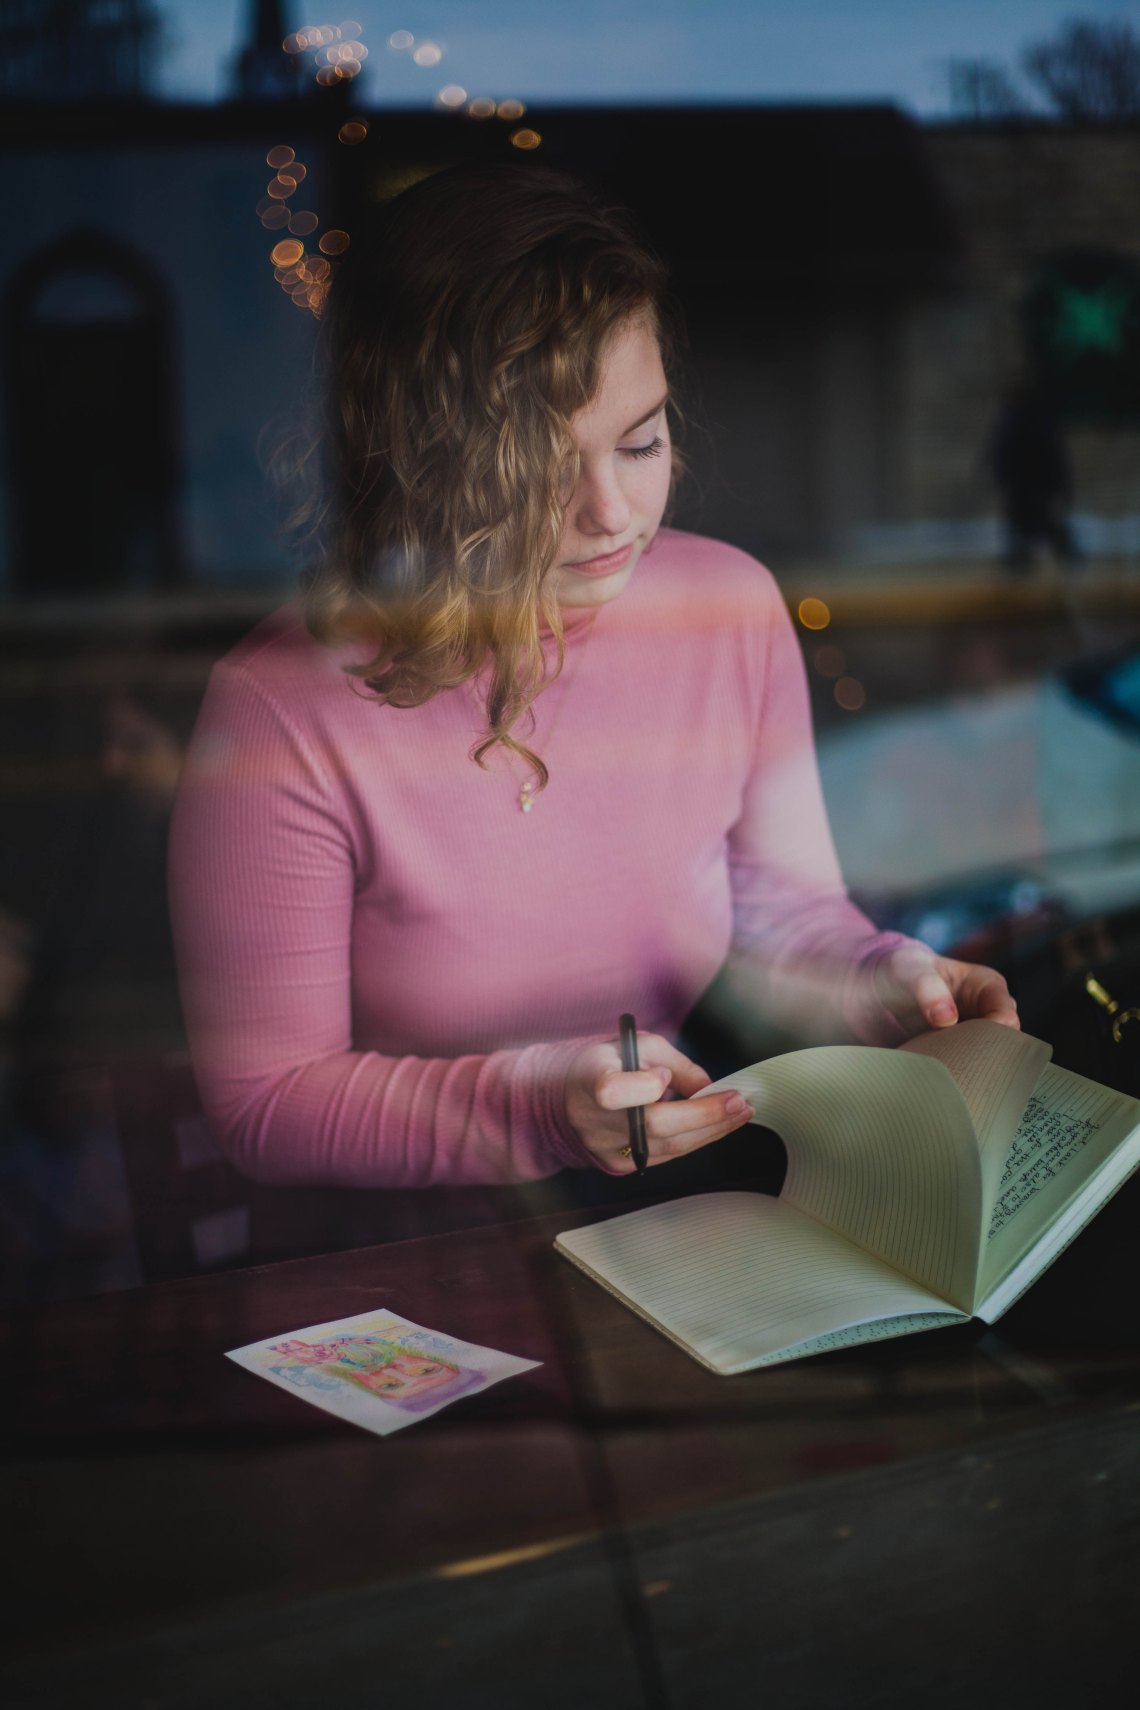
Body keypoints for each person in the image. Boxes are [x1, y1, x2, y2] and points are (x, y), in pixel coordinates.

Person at [168, 164, 1017, 1197]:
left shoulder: (729, 608)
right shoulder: (277, 709)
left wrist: (888, 984)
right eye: (539, 469)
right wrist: (533, 1110)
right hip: (412, 1251)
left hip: (663, 1212)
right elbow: (269, 1101)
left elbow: (780, 913)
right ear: (425, 464)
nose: (611, 512)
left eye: (643, 441)